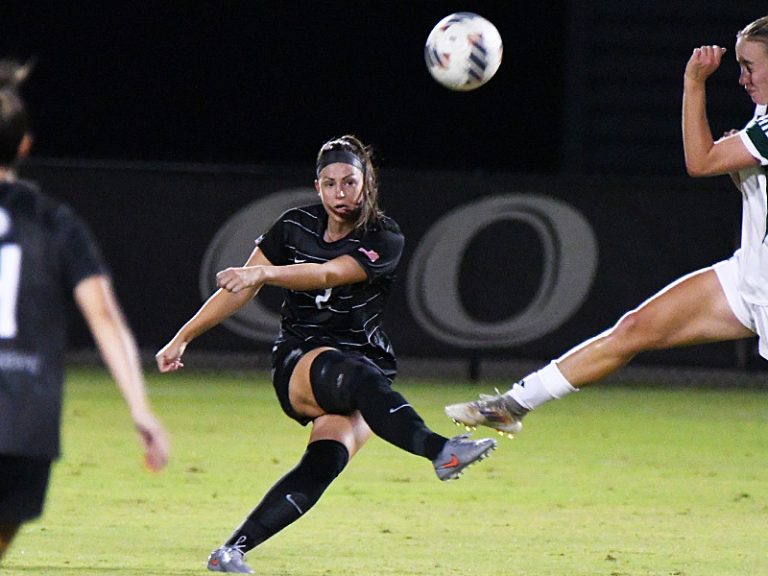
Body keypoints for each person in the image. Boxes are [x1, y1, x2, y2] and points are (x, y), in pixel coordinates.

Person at [156, 134, 496, 574]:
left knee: (325, 462)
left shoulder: (384, 235)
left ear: (367, 183)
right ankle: (442, 452)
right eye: (331, 183)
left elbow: (330, 272)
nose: (341, 193)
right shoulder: (293, 226)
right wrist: (183, 336)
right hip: (301, 358)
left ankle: (231, 551)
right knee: (356, 376)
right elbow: (240, 288)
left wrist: (263, 272)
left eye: (350, 182)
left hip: (363, 369)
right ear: (317, 187)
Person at [446, 15, 768, 436]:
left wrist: (694, 83)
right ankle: (512, 404)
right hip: (750, 277)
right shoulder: (762, 112)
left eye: (749, 65)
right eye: (740, 66)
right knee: (634, 328)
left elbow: (699, 160)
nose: (742, 78)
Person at [0, 60, 170, 563]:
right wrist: (140, 411)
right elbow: (104, 316)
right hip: (25, 424)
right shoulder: (56, 222)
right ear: (25, 145)